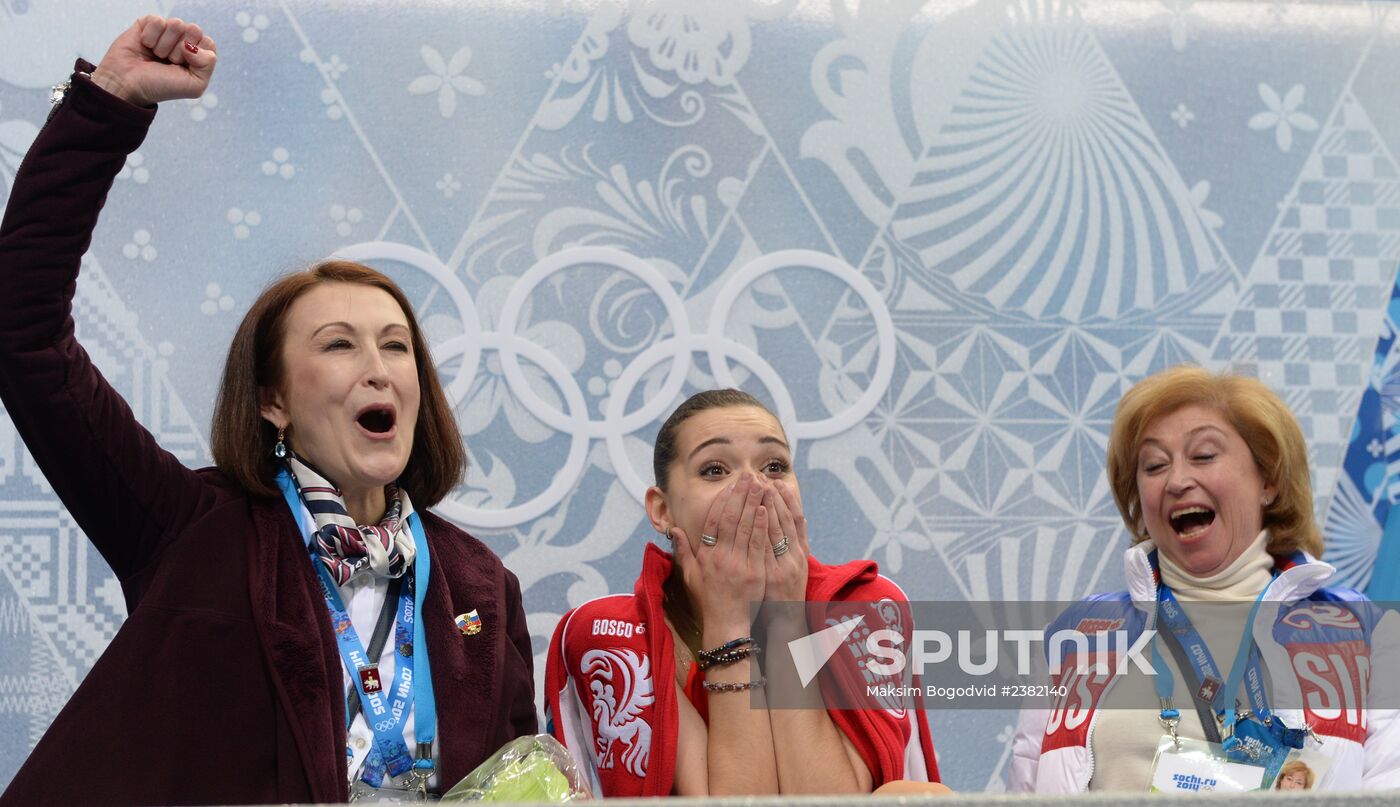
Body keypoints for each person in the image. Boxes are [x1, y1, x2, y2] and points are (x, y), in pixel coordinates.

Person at [0, 17, 534, 805]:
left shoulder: (480, 584)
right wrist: (105, 106)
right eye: (341, 345)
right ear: (273, 400)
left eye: (397, 346)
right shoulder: (188, 526)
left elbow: (513, 780)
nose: (379, 368)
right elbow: (25, 330)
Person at [1009, 365, 1400, 792]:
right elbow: (1024, 795)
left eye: (1203, 456)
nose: (1177, 480)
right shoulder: (1075, 636)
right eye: (1154, 465)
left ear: (1267, 479)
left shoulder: (1367, 634)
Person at [543, 389, 940, 796]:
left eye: (774, 465)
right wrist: (728, 622)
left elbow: (832, 801)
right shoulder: (612, 632)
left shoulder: (863, 606)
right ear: (661, 510)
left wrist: (785, 617)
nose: (754, 485)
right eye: (715, 470)